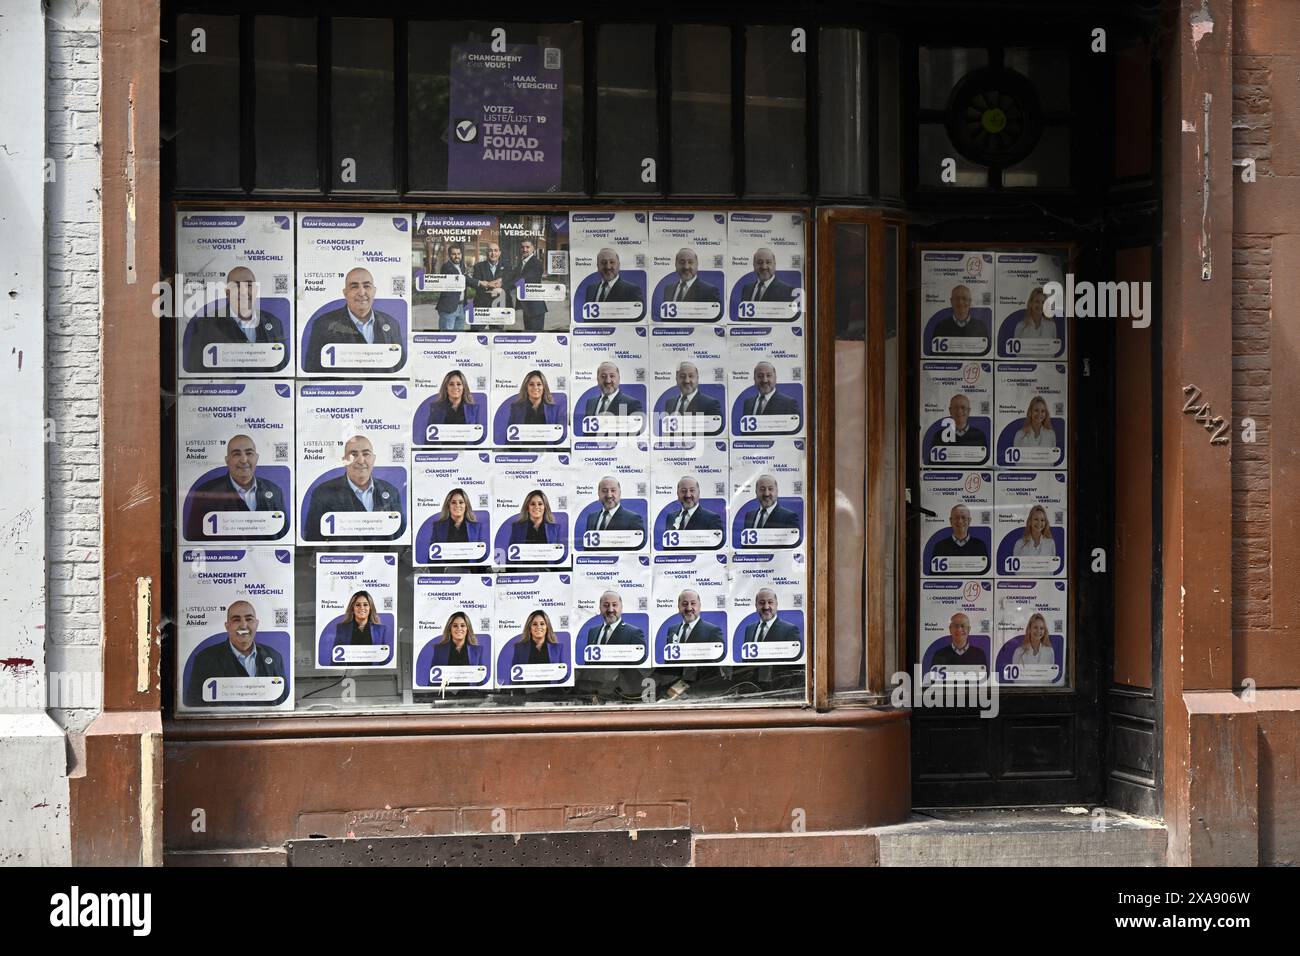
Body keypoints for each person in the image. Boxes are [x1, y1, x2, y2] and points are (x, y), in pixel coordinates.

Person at [184, 434, 288, 541]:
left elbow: (284, 536)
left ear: (256, 458)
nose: (243, 460)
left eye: (249, 453)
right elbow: (195, 540)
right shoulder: (205, 493)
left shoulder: (274, 490)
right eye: (236, 454)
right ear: (227, 460)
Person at [184, 600, 287, 707]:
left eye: (249, 619)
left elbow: (283, 701)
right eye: (236, 620)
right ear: (227, 626)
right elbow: (194, 704)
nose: (243, 625)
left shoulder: (275, 657)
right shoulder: (205, 659)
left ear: (256, 624)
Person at [303, 435, 406, 541]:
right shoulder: (323, 493)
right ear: (344, 461)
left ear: (373, 459)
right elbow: (312, 541)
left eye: (366, 454)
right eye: (353, 454)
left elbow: (401, 536)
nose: (361, 460)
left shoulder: (391, 491)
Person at [185, 266, 287, 372]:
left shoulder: (274, 323)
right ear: (227, 292)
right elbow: (195, 373)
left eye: (248, 285)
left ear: (256, 290)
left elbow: (283, 370)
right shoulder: (205, 326)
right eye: (236, 286)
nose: (243, 292)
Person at [303, 267, 403, 372]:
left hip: (381, 389)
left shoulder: (392, 324)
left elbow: (400, 370)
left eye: (367, 286)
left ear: (374, 291)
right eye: (354, 287)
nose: (361, 292)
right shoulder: (323, 325)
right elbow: (313, 373)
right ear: (345, 293)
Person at [326, 590, 389, 665]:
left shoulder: (381, 630)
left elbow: (385, 659)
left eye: (365, 604)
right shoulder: (342, 628)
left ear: (370, 608)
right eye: (358, 605)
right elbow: (335, 659)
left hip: (372, 674)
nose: (362, 608)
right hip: (349, 674)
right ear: (352, 608)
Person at [435, 244, 483, 331]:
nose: (456, 256)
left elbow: (466, 280)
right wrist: (481, 282)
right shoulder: (447, 267)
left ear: (461, 255)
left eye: (458, 253)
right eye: (454, 254)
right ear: (449, 255)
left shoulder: (461, 267)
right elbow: (463, 279)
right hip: (449, 308)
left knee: (459, 337)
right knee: (447, 338)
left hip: (461, 307)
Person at [583, 248, 643, 314]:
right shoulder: (591, 289)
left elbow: (638, 319)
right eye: (603, 263)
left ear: (619, 265)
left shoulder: (632, 290)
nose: (608, 267)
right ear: (598, 266)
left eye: (612, 262)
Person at [582, 592, 646, 650]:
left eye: (614, 605)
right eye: (606, 605)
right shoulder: (592, 632)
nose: (610, 610)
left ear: (621, 607)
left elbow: (640, 662)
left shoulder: (634, 633)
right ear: (600, 607)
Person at [513, 239, 548, 332]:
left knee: (536, 336)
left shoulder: (536, 263)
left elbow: (522, 280)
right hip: (528, 308)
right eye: (522, 247)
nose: (524, 249)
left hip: (535, 308)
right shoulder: (522, 263)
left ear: (533, 248)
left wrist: (503, 283)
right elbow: (513, 275)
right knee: (529, 334)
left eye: (527, 247)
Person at [470, 242, 507, 314]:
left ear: (499, 253)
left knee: (497, 325)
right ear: (486, 253)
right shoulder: (478, 266)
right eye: (490, 251)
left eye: (496, 250)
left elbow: (510, 280)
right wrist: (488, 285)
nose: (493, 253)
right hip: (481, 305)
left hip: (499, 305)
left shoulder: (507, 267)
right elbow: (475, 284)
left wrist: (501, 281)